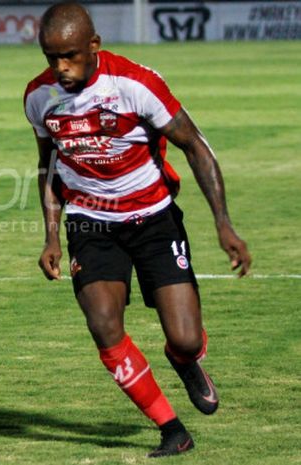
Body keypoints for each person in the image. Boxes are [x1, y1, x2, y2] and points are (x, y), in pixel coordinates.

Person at [24, 2, 251, 458]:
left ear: (95, 46)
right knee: (104, 325)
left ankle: (184, 359)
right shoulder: (38, 97)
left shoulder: (135, 84)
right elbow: (47, 164)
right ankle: (171, 428)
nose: (60, 68)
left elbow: (196, 148)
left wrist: (223, 224)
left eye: (69, 55)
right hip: (90, 223)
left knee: (185, 337)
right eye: (51, 57)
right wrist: (51, 233)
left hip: (154, 218)